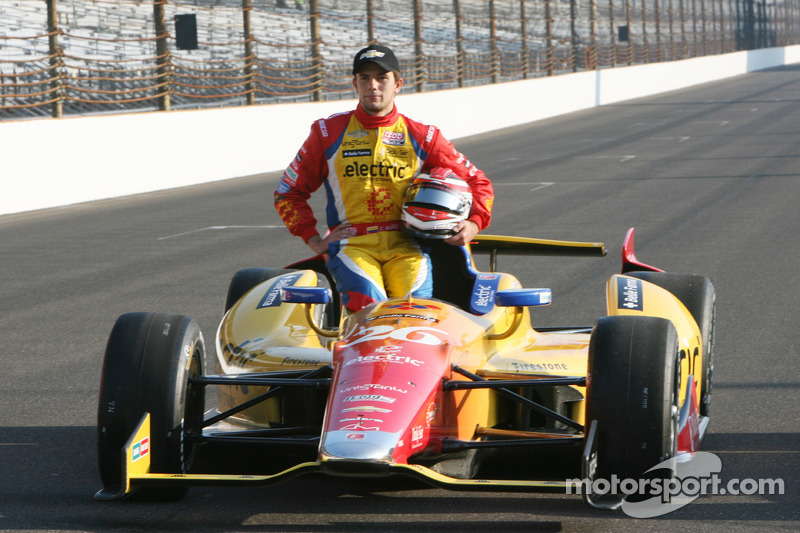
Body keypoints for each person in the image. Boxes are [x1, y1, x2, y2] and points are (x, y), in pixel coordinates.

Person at [274, 44, 494, 312]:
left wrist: (473, 224)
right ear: (354, 83)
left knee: (414, 310)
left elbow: (477, 182)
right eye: (364, 78)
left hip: (408, 244)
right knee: (369, 307)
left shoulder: (424, 136)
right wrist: (313, 239)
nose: (373, 86)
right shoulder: (327, 132)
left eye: (381, 78)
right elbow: (287, 191)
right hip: (353, 244)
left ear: (398, 84)